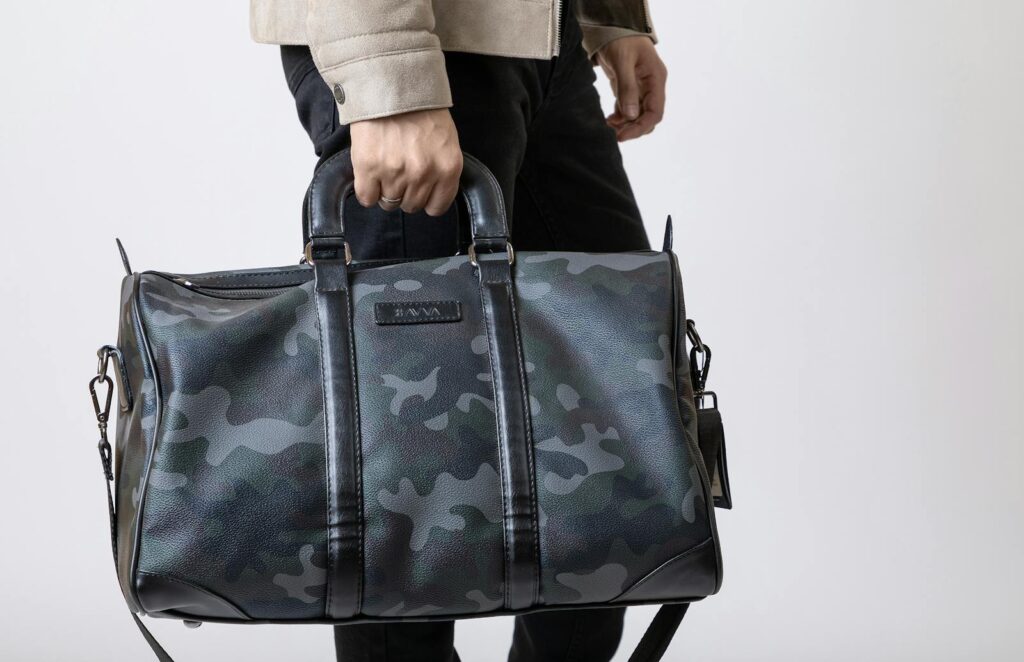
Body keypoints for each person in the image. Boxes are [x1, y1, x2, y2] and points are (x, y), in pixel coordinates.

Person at [253, 0, 668, 659]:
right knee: (405, 498)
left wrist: (606, 14)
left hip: (538, 33)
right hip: (420, 36)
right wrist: (386, 72)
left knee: (614, 433)